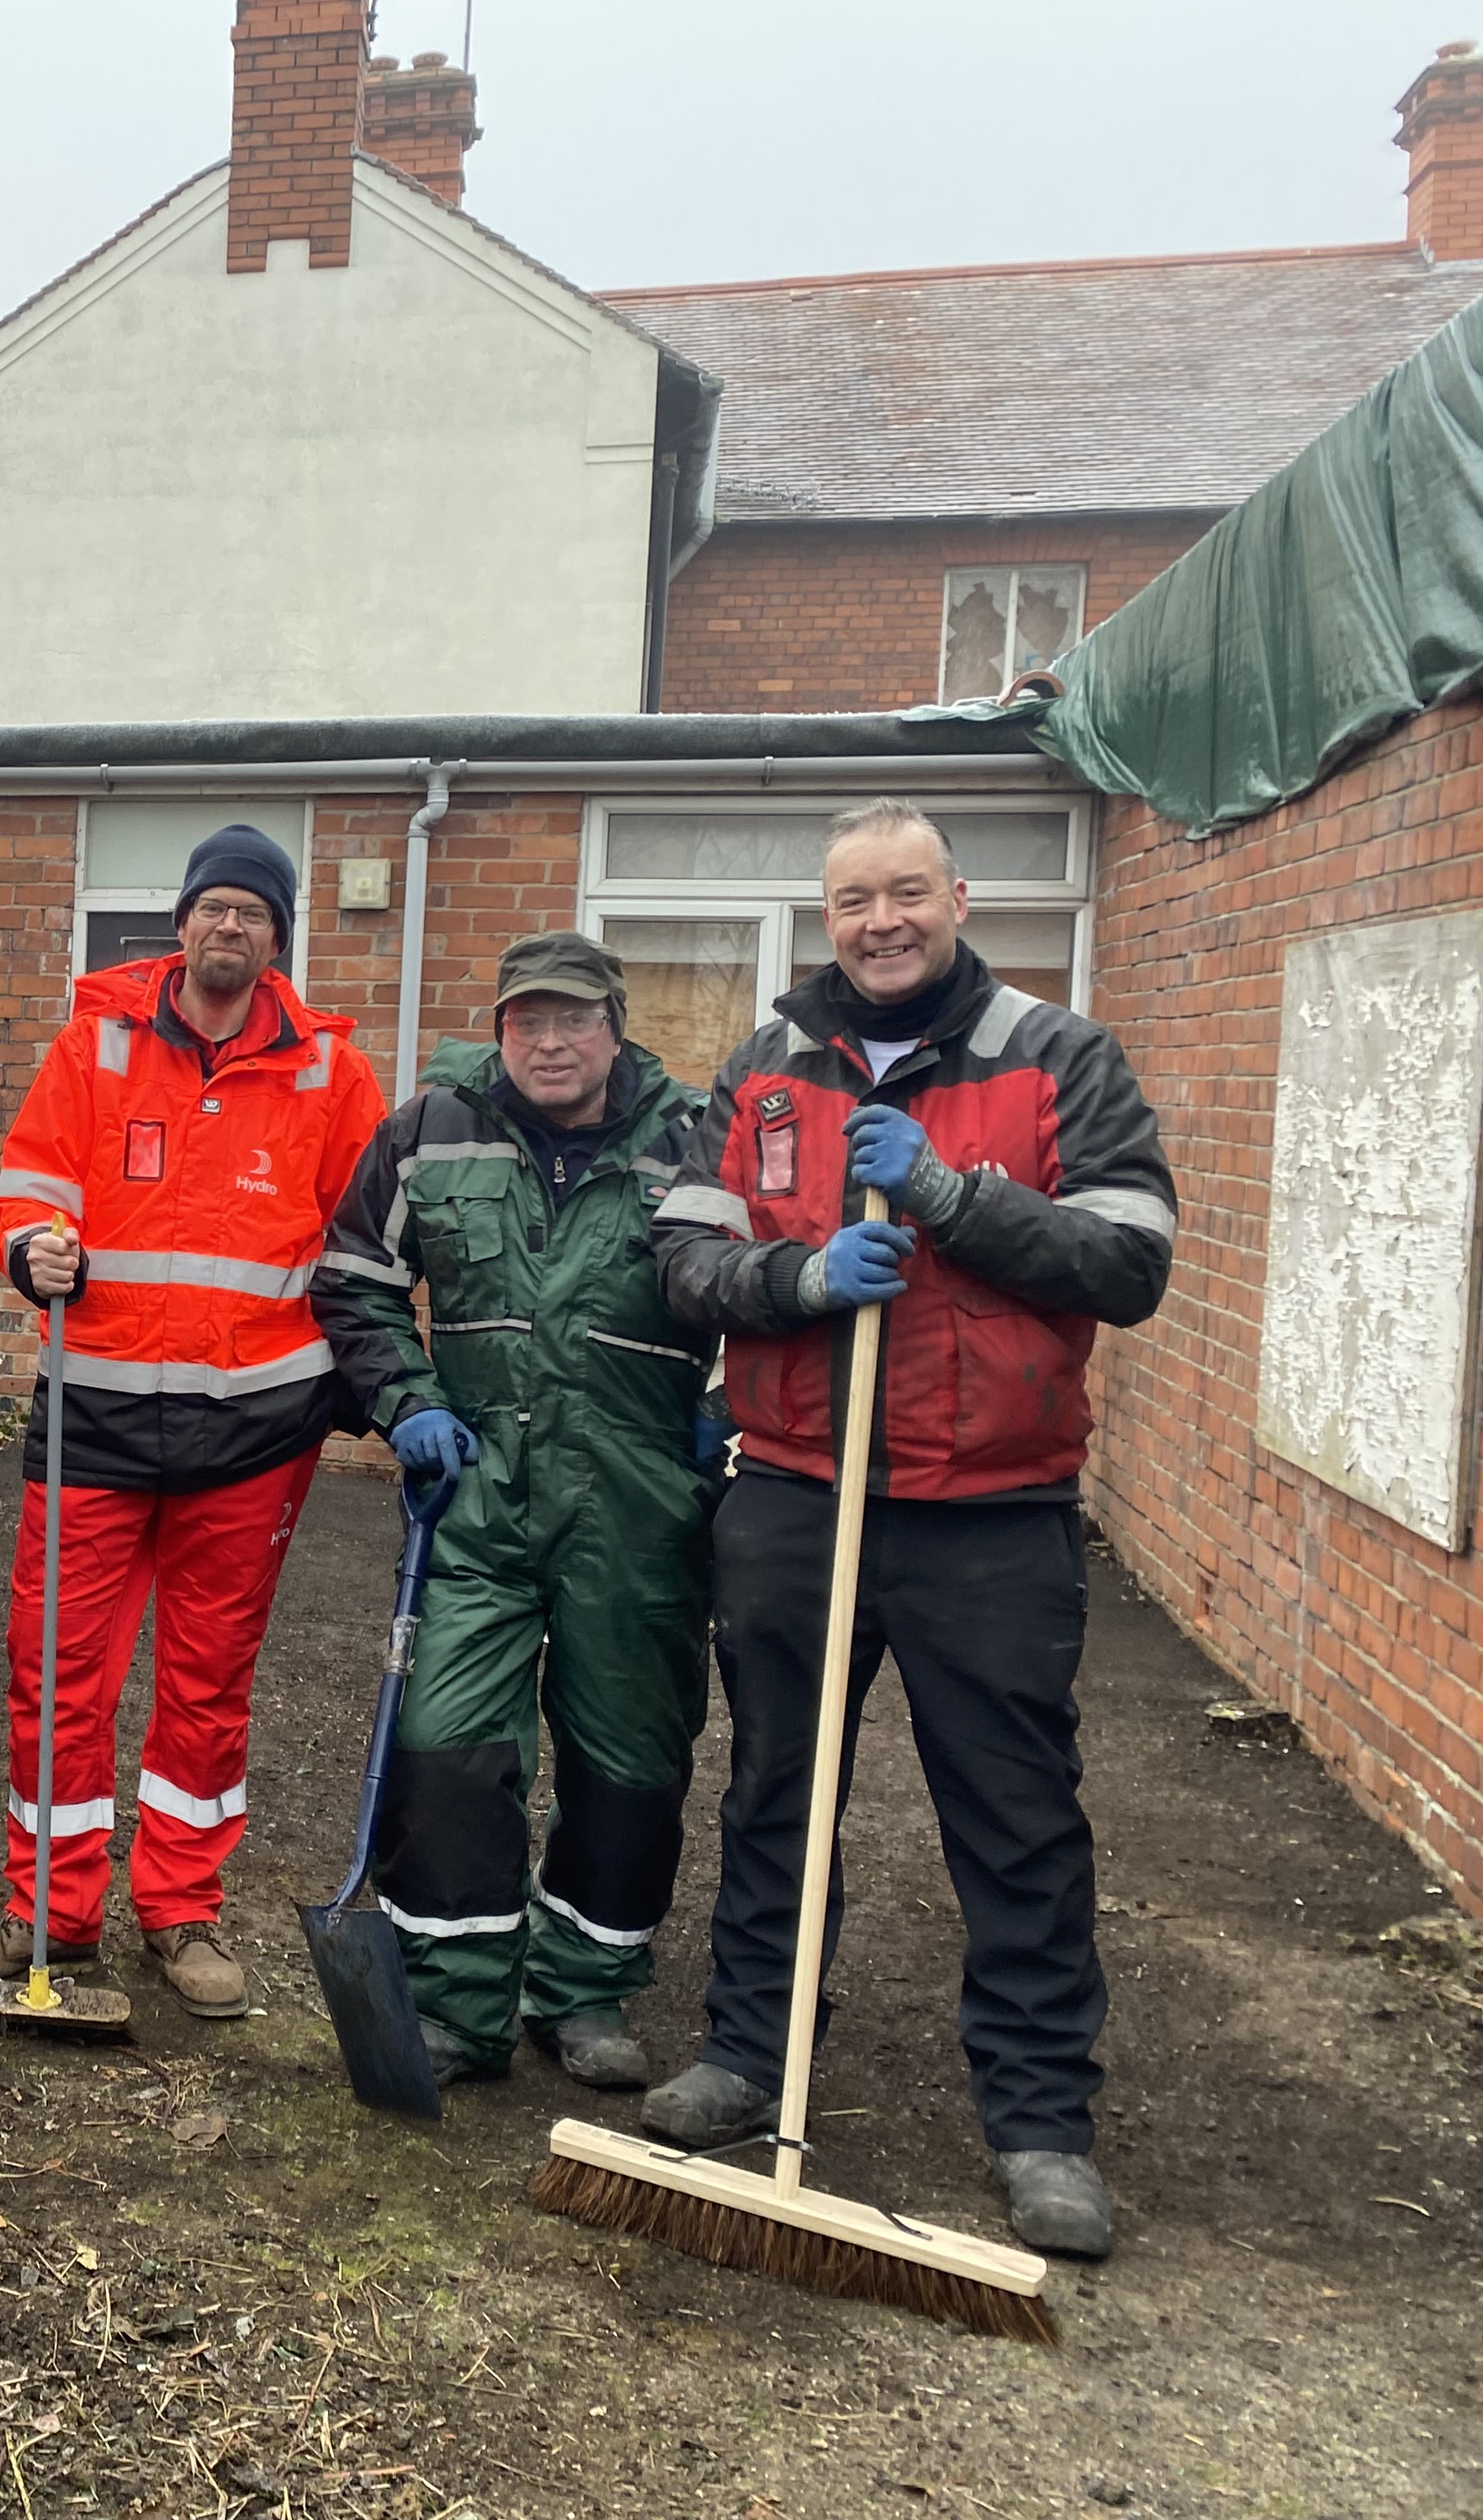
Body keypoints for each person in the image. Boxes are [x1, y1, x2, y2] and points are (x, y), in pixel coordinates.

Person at [647, 798, 1175, 2261]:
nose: (880, 921)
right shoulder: (764, 1070)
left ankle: (1037, 2118)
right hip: (798, 1491)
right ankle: (750, 2051)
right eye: (852, 901)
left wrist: (953, 1196)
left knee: (1013, 1821)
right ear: (828, 919)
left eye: (904, 893)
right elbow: (685, 1263)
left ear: (956, 895)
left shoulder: (1056, 1058)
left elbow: (1129, 1261)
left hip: (988, 1513)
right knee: (773, 1792)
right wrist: (802, 1278)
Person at [0, 823, 388, 2018]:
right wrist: (32, 1246)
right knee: (57, 1674)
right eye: (212, 907)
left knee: (206, 1681)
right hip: (97, 1423)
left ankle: (180, 1912)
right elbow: (27, 1187)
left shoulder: (333, 1077)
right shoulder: (96, 1046)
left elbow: (367, 1246)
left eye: (253, 912)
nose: (229, 927)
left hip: (253, 1441)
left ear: (279, 936)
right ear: (180, 924)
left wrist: (363, 1381)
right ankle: (49, 1912)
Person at [313, 932, 722, 2093]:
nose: (550, 1042)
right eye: (526, 1021)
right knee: (446, 1743)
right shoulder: (432, 1130)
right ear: (498, 1029)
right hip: (476, 1492)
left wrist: (721, 1410)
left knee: (630, 1754)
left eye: (574, 1019)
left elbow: (761, 1292)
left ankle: (583, 1992)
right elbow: (354, 1277)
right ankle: (459, 2002)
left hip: (637, 1495)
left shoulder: (695, 1138)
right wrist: (406, 1399)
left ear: (617, 1023)